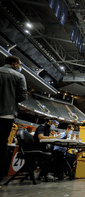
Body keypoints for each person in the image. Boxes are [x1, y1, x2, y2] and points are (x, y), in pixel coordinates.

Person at [0, 56, 28, 188]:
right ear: (14, 63)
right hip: (7, 114)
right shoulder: (19, 76)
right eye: (19, 64)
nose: (20, 66)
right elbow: (23, 96)